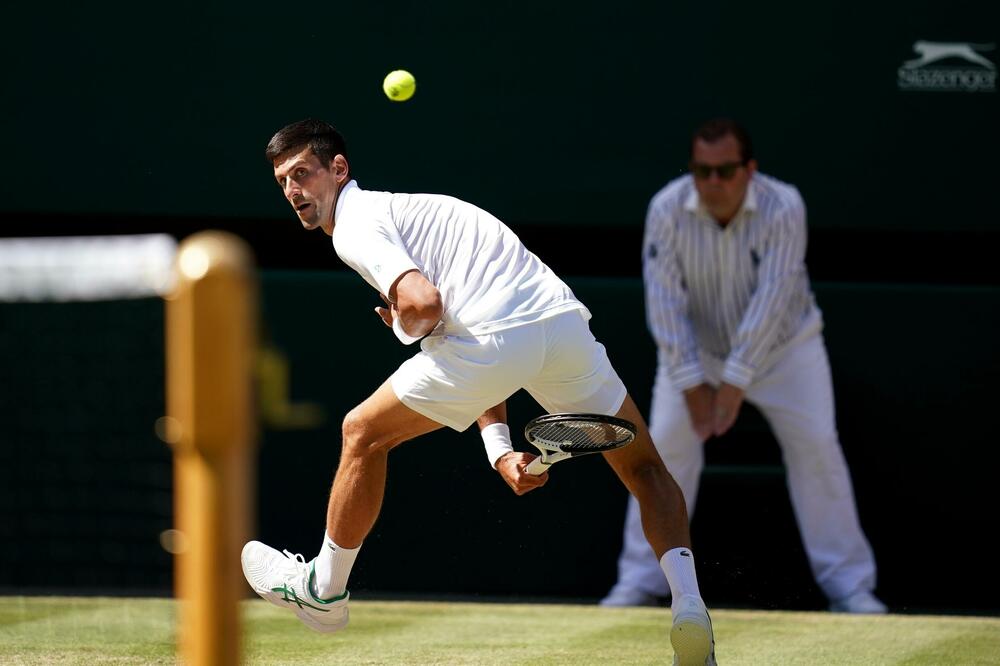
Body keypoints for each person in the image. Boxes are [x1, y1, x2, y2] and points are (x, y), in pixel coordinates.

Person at [240, 119, 717, 665]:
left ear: (339, 170)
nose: (295, 191)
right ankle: (689, 607)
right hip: (559, 325)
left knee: (362, 433)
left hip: (496, 336)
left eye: (303, 173)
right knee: (645, 468)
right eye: (283, 182)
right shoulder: (416, 214)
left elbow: (424, 307)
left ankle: (322, 592)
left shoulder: (355, 225)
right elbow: (487, 341)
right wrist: (497, 449)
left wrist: (399, 323)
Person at [600, 119, 886, 615]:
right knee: (660, 453)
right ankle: (640, 582)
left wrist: (732, 384)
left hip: (785, 350)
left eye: (725, 171)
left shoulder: (784, 205)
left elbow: (773, 298)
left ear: (749, 170)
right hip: (691, 355)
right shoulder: (667, 208)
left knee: (817, 445)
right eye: (702, 171)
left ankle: (850, 587)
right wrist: (693, 383)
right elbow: (664, 301)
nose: (712, 182)